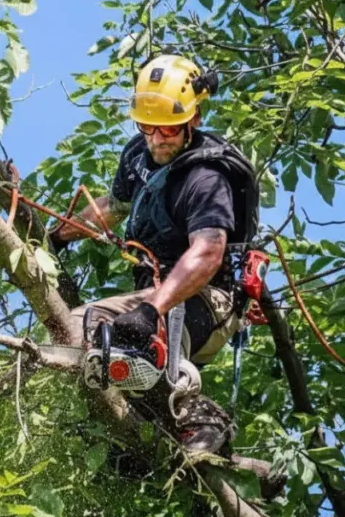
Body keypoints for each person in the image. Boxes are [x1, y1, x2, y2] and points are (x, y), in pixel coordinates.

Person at [49, 55, 260, 453]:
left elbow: (209, 252)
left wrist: (151, 310)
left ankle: (201, 419)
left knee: (138, 338)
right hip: (156, 291)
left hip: (207, 297)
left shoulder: (206, 179)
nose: (157, 139)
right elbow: (113, 205)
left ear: (193, 121)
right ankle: (134, 436)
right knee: (81, 329)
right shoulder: (138, 157)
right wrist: (59, 236)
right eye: (147, 126)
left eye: (168, 128)